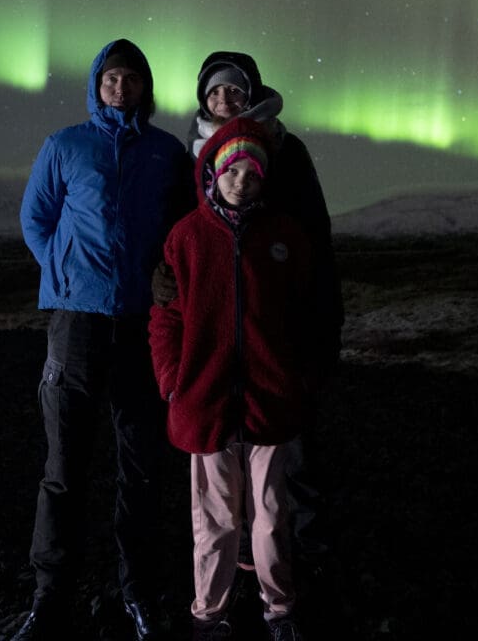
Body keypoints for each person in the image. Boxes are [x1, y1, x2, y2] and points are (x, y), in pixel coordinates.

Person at [10, 39, 194, 641]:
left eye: (131, 78)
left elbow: (183, 228)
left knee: (140, 468)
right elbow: (36, 219)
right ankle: (50, 596)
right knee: (64, 467)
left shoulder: (166, 153)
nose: (121, 87)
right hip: (78, 324)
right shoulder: (65, 145)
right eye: (111, 78)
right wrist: (64, 274)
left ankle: (138, 593)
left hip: (141, 324)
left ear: (145, 87)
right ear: (96, 84)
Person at [156, 52, 343, 585]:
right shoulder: (192, 151)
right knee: (223, 446)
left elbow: (313, 234)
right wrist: (165, 277)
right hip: (215, 325)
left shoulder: (284, 148)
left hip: (275, 320)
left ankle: (300, 553)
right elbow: (180, 229)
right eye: (213, 92)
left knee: (289, 447)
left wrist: (322, 324)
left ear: (252, 93)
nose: (223, 100)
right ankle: (239, 553)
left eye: (234, 90)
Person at [150, 117, 321, 641]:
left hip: (270, 399)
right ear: (213, 173)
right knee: (214, 518)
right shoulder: (187, 237)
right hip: (206, 399)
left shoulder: (285, 236)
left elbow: (305, 315)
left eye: (251, 173)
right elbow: (166, 318)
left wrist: (299, 378)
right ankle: (209, 613)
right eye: (231, 171)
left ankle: (279, 609)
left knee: (271, 515)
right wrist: (172, 382)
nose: (241, 181)